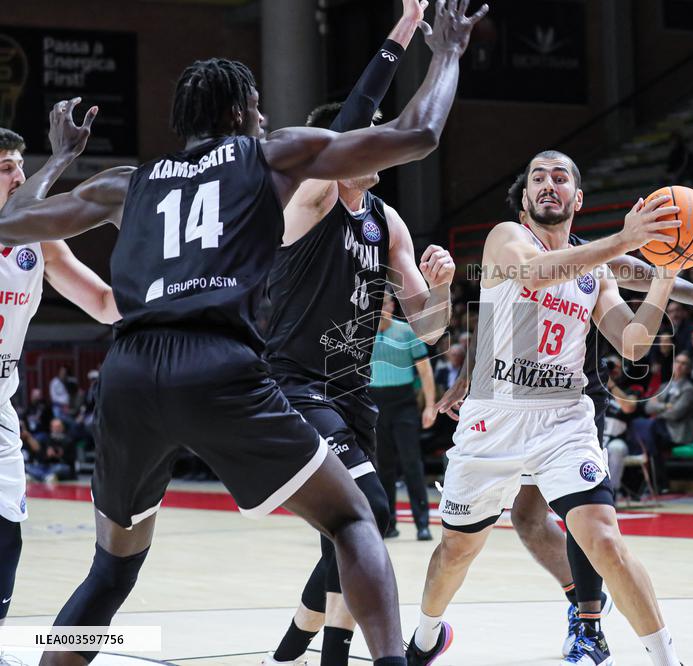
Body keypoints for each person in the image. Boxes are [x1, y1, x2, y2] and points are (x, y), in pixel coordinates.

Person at [0, 4, 488, 663]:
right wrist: (449, 52)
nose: (262, 118)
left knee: (110, 572)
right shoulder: (269, 156)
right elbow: (421, 132)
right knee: (353, 518)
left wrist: (58, 158)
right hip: (220, 366)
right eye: (256, 108)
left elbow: (13, 221)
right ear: (240, 112)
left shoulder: (129, 181)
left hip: (129, 375)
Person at [433, 166, 693, 663]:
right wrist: (472, 374)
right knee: (528, 521)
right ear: (524, 197)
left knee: (584, 521)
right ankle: (582, 603)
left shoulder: (592, 255)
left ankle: (589, 623)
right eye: (539, 178)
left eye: (560, 178)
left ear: (577, 199)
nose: (549, 185)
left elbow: (650, 275)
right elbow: (497, 311)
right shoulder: (514, 243)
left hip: (569, 393)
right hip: (509, 396)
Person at [262, 5, 457, 661]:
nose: (377, 143)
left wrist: (444, 286)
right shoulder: (310, 200)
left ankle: (304, 636)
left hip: (354, 391)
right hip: (294, 385)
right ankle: (332, 647)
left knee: (344, 533)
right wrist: (407, 29)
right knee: (371, 512)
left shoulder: (389, 222)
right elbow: (358, 108)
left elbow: (427, 327)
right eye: (366, 136)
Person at [0, 116, 130, 629]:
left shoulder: (41, 244)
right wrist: (58, 163)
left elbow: (101, 302)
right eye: (6, 168)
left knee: (7, 529)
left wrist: (171, 286)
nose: (16, 176)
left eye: (18, 167)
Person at [371, 296, 437, 541]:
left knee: (412, 464)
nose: (381, 308)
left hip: (404, 404)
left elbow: (425, 370)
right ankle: (388, 525)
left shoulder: (407, 332)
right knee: (383, 467)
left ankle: (423, 524)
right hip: (375, 404)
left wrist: (429, 406)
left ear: (392, 306)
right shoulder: (361, 334)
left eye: (386, 303)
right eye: (376, 303)